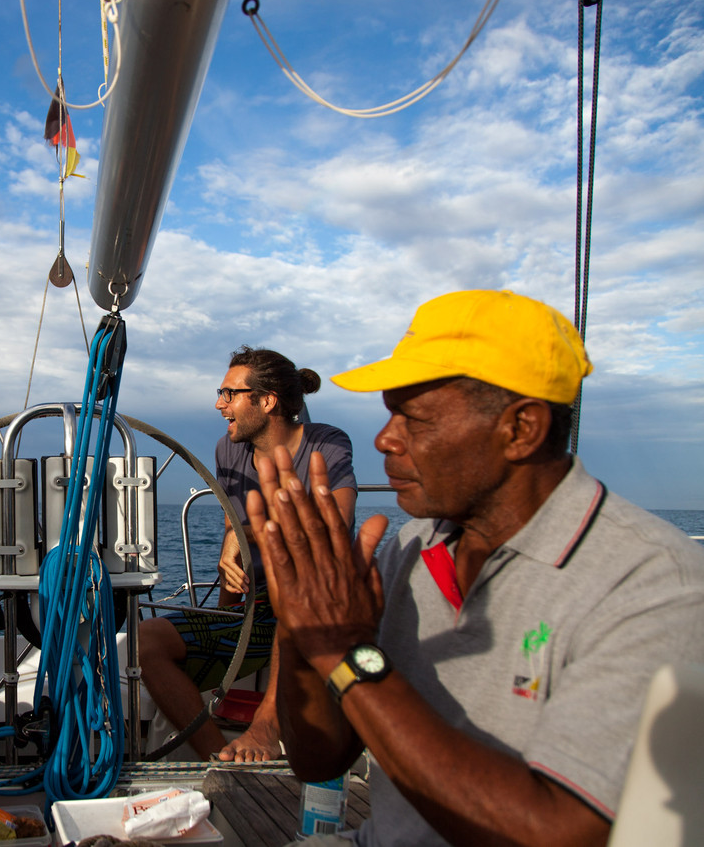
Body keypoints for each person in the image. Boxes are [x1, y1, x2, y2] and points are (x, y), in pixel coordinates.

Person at [246, 289, 704, 846]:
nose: (384, 439)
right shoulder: (410, 549)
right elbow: (319, 761)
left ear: (521, 430)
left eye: (412, 418)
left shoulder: (652, 584)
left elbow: (564, 832)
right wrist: (303, 624)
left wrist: (345, 652)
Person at [138, 347, 357, 761]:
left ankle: (266, 728)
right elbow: (232, 527)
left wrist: (253, 530)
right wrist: (228, 609)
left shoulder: (326, 444)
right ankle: (219, 761)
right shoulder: (229, 449)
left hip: (319, 611)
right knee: (143, 643)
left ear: (267, 400)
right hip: (256, 614)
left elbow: (337, 530)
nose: (219, 403)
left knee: (294, 595)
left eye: (229, 393)